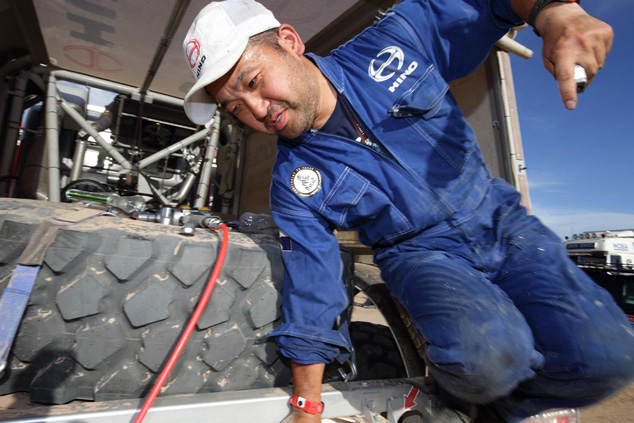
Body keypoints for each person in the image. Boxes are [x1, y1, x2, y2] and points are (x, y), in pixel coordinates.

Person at [181, 1, 634, 422]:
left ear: (289, 42)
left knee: (608, 358)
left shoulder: (396, 40)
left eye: (254, 82)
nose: (258, 111)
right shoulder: (293, 183)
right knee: (490, 359)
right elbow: (313, 291)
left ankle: (494, 411)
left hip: (500, 220)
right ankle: (463, 394)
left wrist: (555, 11)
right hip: (421, 255)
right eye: (236, 108)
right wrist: (306, 405)